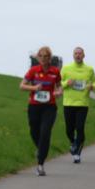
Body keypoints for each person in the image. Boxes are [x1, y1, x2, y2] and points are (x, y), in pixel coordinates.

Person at [21, 46, 62, 176]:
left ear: (50, 58)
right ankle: (40, 148)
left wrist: (58, 92)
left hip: (49, 106)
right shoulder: (33, 70)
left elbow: (60, 87)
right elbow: (22, 85)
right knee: (34, 130)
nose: (43, 59)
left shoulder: (55, 71)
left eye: (46, 56)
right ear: (38, 57)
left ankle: (40, 164)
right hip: (34, 106)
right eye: (41, 56)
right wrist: (33, 87)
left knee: (45, 132)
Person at [60, 46, 95, 164]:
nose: (78, 55)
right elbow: (59, 83)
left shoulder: (89, 69)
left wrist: (92, 86)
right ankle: (73, 142)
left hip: (82, 103)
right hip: (68, 102)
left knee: (80, 127)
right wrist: (66, 83)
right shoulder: (66, 68)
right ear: (73, 55)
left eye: (80, 53)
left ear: (83, 55)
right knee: (68, 129)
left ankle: (77, 153)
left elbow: (94, 83)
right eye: (76, 53)